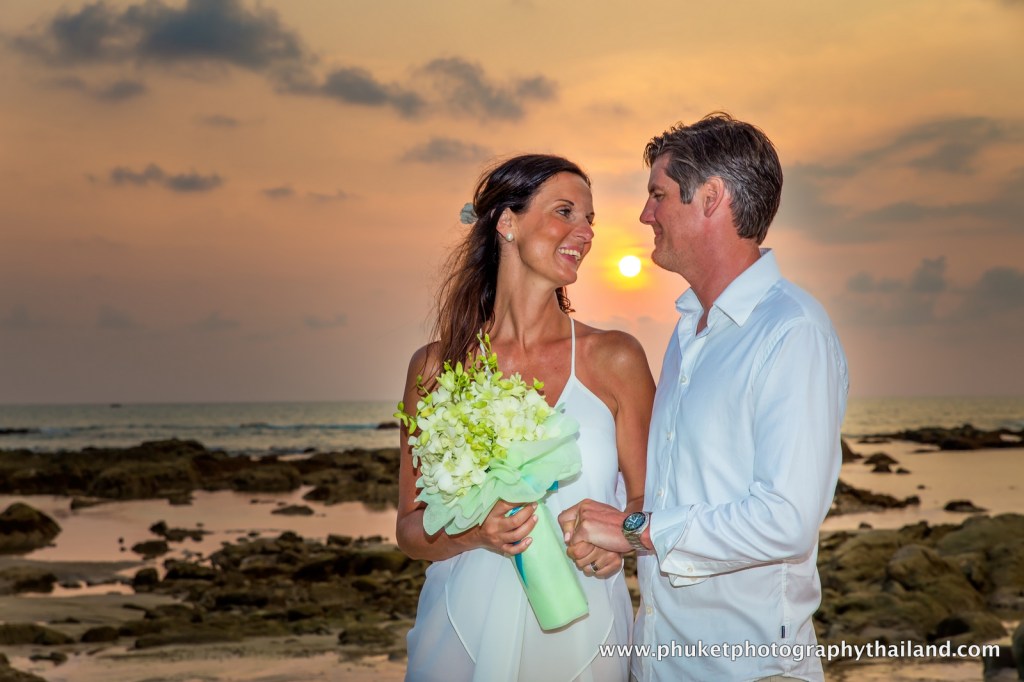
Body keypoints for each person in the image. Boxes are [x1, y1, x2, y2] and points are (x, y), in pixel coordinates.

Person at [558, 113, 849, 681]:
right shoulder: (688, 332)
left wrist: (636, 531)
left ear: (711, 198)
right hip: (661, 659)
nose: (645, 215)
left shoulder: (792, 332)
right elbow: (678, 486)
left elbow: (786, 519)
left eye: (658, 195)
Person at [397, 154, 655, 682]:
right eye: (565, 212)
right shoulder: (435, 368)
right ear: (507, 222)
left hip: (585, 630)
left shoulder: (616, 358)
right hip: (458, 634)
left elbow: (651, 501)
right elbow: (408, 528)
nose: (585, 232)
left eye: (590, 220)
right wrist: (475, 533)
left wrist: (621, 541)